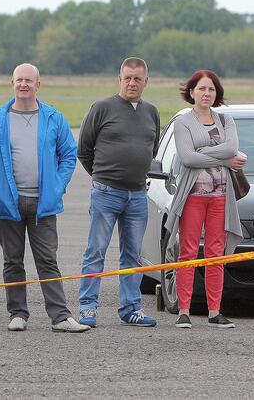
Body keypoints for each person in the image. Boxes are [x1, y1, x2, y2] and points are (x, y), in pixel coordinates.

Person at [0, 63, 90, 333]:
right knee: (12, 261)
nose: (23, 84)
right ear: (12, 83)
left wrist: (56, 187)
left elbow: (68, 155)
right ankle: (17, 313)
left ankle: (60, 317)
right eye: (19, 80)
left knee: (47, 260)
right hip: (9, 205)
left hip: (43, 204)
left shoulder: (53, 118)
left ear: (38, 84)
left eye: (29, 80)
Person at [76, 57, 161, 328]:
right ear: (119, 79)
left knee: (132, 254)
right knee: (96, 251)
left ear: (146, 81)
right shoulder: (101, 108)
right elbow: (84, 150)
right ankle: (88, 308)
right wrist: (103, 176)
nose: (132, 83)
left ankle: (130, 308)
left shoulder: (152, 112)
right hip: (106, 192)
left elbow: (153, 149)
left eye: (138, 78)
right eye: (128, 78)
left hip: (137, 195)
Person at [165, 70, 244, 329]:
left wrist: (204, 152)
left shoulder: (225, 120)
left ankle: (214, 311)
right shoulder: (183, 122)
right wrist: (222, 158)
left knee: (215, 254)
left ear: (216, 94)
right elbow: (188, 158)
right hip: (193, 197)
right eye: (201, 89)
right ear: (191, 92)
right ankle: (184, 310)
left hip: (220, 197)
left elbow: (232, 149)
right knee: (187, 252)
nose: (206, 93)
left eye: (211, 89)